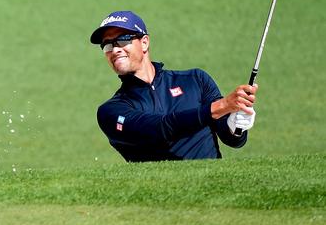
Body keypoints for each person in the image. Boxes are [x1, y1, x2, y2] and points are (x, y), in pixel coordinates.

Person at [90, 10, 257, 162]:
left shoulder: (195, 80)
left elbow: (233, 140)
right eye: (107, 45)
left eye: (122, 39)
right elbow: (158, 129)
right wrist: (222, 106)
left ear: (144, 43)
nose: (114, 49)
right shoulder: (111, 111)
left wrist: (236, 124)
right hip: (160, 193)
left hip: (211, 188)